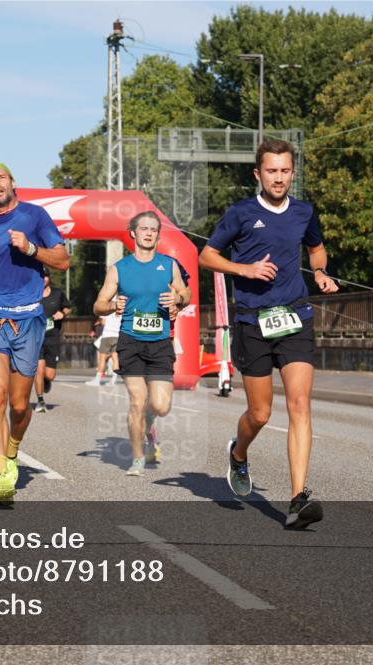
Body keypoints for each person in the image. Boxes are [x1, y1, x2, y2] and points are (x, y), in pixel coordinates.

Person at [199, 139, 338, 529]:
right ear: (258, 174)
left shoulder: (304, 211)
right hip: (253, 321)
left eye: (285, 171)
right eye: (272, 171)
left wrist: (322, 272)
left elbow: (316, 249)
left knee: (299, 404)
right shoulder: (241, 213)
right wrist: (245, 271)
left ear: (293, 173)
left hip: (295, 316)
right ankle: (239, 454)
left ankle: (297, 499)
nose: (279, 178)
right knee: (260, 413)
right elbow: (206, 256)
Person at [0, 162, 69, 503]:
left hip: (28, 318)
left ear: (13, 182)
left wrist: (31, 249)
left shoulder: (35, 216)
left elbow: (63, 261)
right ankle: (2, 472)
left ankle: (13, 448)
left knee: (19, 407)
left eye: (1, 177)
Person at [93, 211, 191, 476]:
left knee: (160, 405)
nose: (149, 233)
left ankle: (148, 425)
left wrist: (178, 300)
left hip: (160, 343)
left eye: (154, 229)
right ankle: (137, 459)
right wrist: (113, 305)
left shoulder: (169, 265)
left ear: (158, 235)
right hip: (131, 342)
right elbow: (98, 304)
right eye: (144, 228)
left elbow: (186, 293)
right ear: (133, 233)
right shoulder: (120, 268)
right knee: (138, 401)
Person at [34, 268, 71, 413]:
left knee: (49, 374)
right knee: (39, 369)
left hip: (53, 338)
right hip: (36, 337)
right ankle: (40, 400)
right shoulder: (32, 294)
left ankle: (45, 381)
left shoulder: (57, 293)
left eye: (45, 276)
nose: (43, 279)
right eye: (40, 276)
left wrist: (62, 313)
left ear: (49, 278)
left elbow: (68, 308)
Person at [85, 310, 121, 386]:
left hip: (107, 335)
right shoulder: (122, 306)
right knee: (115, 358)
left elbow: (103, 322)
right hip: (117, 335)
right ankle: (113, 380)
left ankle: (97, 379)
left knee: (102, 358)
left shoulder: (107, 307)